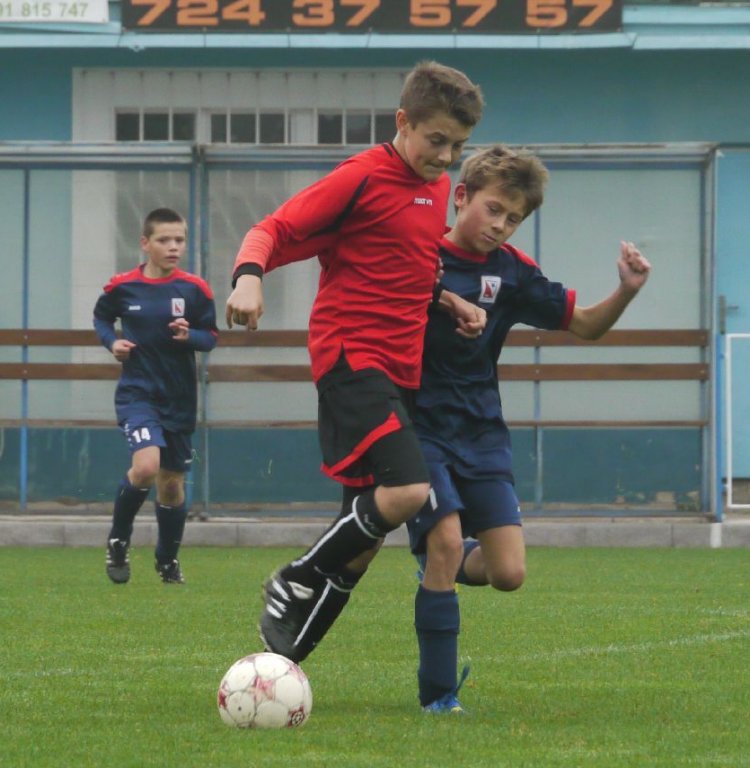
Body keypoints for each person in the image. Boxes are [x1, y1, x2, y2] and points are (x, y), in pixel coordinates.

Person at [225, 61, 485, 662]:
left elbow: (403, 265)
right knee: (408, 490)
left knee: (364, 539)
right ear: (403, 121)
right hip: (352, 358)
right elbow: (272, 228)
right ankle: (295, 575)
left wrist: (448, 301)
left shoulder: (435, 187)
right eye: (436, 140)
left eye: (457, 145)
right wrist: (248, 279)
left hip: (401, 370)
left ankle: (283, 665)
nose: (446, 156)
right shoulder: (361, 177)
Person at [407, 144, 652, 713]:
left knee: (508, 572)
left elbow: (585, 326)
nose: (500, 225)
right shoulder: (419, 255)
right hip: (419, 427)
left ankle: (440, 557)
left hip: (482, 433)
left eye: (513, 218)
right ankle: (438, 696)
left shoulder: (513, 271)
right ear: (461, 196)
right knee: (446, 543)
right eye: (493, 209)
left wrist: (626, 290)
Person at [93, 207, 218, 585]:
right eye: (164, 240)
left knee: (171, 483)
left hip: (179, 398)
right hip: (138, 394)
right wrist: (112, 343)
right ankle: (118, 540)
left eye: (179, 240)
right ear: (145, 243)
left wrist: (190, 336)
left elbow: (210, 337)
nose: (173, 247)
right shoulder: (122, 286)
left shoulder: (195, 290)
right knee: (146, 466)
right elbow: (102, 318)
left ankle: (167, 560)